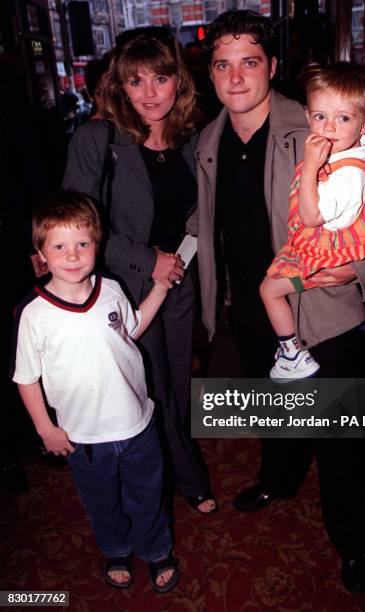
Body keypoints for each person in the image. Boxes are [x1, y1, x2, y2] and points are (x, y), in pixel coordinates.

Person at [196, 10, 365, 592]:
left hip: (321, 301)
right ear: (211, 73)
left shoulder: (319, 123)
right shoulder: (208, 140)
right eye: (222, 64)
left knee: (343, 435)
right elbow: (205, 216)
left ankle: (354, 542)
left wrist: (359, 267)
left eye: (249, 62)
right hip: (256, 303)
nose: (235, 77)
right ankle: (279, 477)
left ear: (271, 66)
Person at [63, 28, 216, 514]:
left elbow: (202, 212)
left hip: (181, 281)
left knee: (179, 384)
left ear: (179, 81)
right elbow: (80, 226)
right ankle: (173, 480)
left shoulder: (196, 137)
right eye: (136, 81)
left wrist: (181, 263)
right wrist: (150, 261)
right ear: (120, 87)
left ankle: (179, 471)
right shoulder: (98, 138)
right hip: (125, 288)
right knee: (144, 389)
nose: (149, 93)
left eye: (160, 78)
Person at [11, 192, 179, 592]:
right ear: (41, 253)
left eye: (82, 244)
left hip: (136, 425)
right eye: (60, 246)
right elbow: (26, 378)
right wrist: (45, 430)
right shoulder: (34, 314)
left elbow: (132, 328)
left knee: (147, 493)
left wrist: (159, 287)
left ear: (96, 245)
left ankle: (156, 549)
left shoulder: (111, 289)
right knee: (102, 501)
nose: (72, 255)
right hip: (84, 438)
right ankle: (116, 548)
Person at [260, 62, 365, 381]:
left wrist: (310, 169)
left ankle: (293, 353)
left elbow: (310, 216)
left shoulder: (346, 176)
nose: (329, 128)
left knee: (269, 290)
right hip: (355, 239)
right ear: (308, 116)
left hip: (328, 255)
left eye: (343, 118)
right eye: (320, 117)